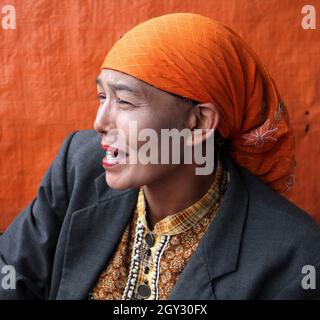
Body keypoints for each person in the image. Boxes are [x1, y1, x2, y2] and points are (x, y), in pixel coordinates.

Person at [0, 13, 320, 300]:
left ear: (199, 122)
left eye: (124, 101)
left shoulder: (294, 255)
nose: (99, 122)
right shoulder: (80, 166)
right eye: (101, 97)